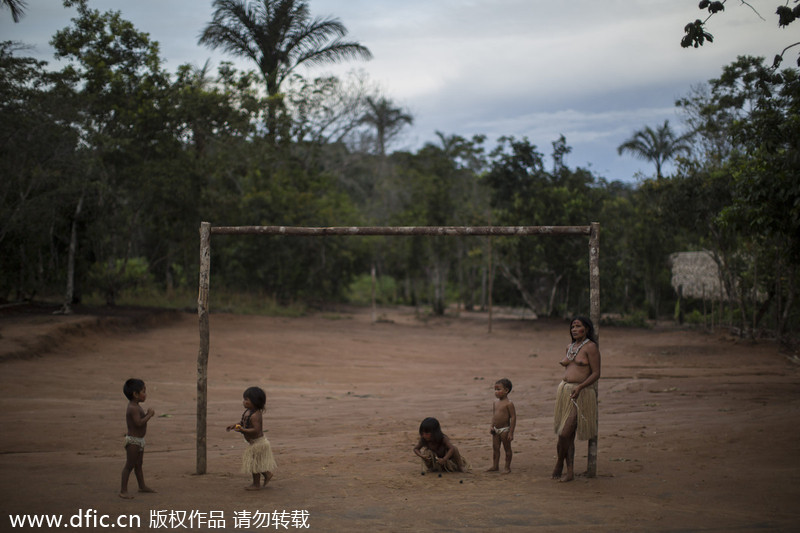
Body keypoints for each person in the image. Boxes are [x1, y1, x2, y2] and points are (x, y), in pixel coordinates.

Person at [552, 316, 601, 482]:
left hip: (581, 393)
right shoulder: (569, 347)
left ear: (586, 329)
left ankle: (559, 462)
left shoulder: (591, 347)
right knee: (563, 435)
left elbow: (596, 373)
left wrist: (580, 387)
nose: (574, 329)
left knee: (566, 432)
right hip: (565, 391)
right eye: (572, 326)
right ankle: (570, 471)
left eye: (578, 326)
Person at [227, 386, 277, 490]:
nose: (243, 402)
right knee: (256, 463)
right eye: (244, 399)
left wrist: (243, 430)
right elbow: (242, 423)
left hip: (258, 443)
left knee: (254, 464)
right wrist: (233, 425)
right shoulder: (247, 412)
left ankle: (256, 484)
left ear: (255, 401)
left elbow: (256, 430)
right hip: (253, 443)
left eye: (246, 400)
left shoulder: (255, 415)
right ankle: (267, 474)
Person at [120, 378, 156, 499]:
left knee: (139, 464)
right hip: (133, 441)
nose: (145, 394)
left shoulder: (136, 406)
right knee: (129, 465)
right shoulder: (133, 408)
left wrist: (146, 414)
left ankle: (142, 486)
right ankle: (123, 490)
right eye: (143, 391)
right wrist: (149, 415)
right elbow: (139, 423)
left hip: (139, 441)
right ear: (135, 394)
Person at [487, 378, 516, 473]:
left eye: (498, 389)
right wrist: (491, 426)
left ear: (506, 390)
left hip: (504, 430)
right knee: (495, 448)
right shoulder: (495, 402)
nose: (496, 392)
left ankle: (507, 467)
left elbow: (513, 418)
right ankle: (495, 466)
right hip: (495, 430)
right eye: (495, 390)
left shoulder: (509, 404)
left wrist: (511, 432)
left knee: (507, 449)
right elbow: (494, 416)